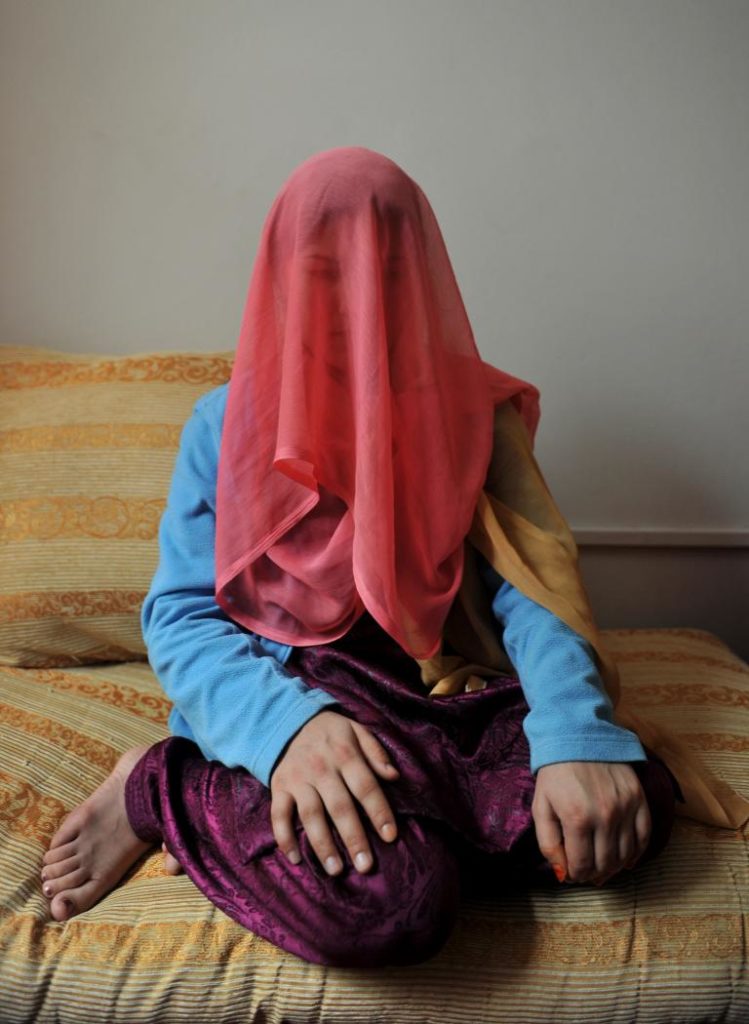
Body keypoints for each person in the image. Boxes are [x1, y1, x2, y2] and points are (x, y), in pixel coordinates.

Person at [40, 146, 682, 967]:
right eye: (320, 271)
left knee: (632, 806)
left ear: (420, 275)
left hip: (442, 690)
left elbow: (535, 591)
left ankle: (360, 822)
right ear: (281, 277)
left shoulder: (477, 418)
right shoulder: (224, 424)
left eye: (380, 269)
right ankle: (162, 785)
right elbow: (181, 615)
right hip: (300, 688)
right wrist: (284, 733)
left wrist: (569, 737)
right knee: (393, 909)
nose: (351, 300)